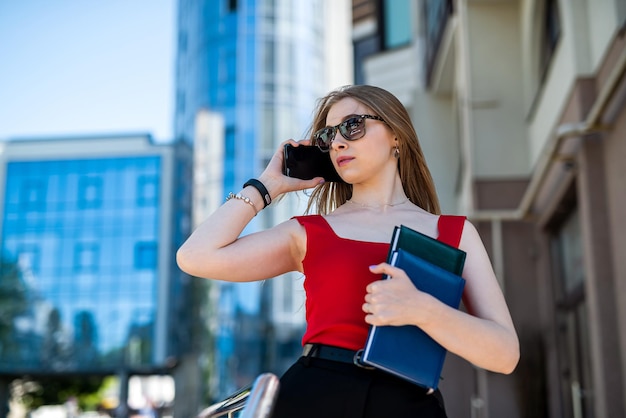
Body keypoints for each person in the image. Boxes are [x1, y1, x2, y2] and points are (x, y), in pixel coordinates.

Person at [177, 85, 519, 417]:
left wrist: (423, 310)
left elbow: (505, 355)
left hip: (409, 402)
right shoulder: (309, 232)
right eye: (327, 137)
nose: (338, 142)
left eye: (352, 126)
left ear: (396, 134)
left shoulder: (455, 234)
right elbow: (195, 256)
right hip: (312, 396)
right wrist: (267, 186)